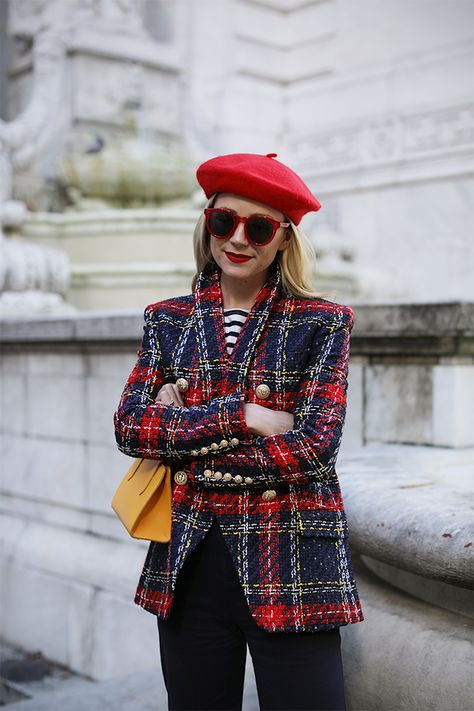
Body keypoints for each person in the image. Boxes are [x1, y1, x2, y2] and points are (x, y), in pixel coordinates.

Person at [113, 152, 364, 711]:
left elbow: (314, 448)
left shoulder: (323, 322)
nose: (239, 239)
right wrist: (243, 417)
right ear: (208, 223)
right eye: (225, 221)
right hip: (189, 564)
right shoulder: (167, 319)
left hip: (292, 557)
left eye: (261, 226)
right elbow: (131, 426)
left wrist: (182, 436)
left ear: (284, 239)